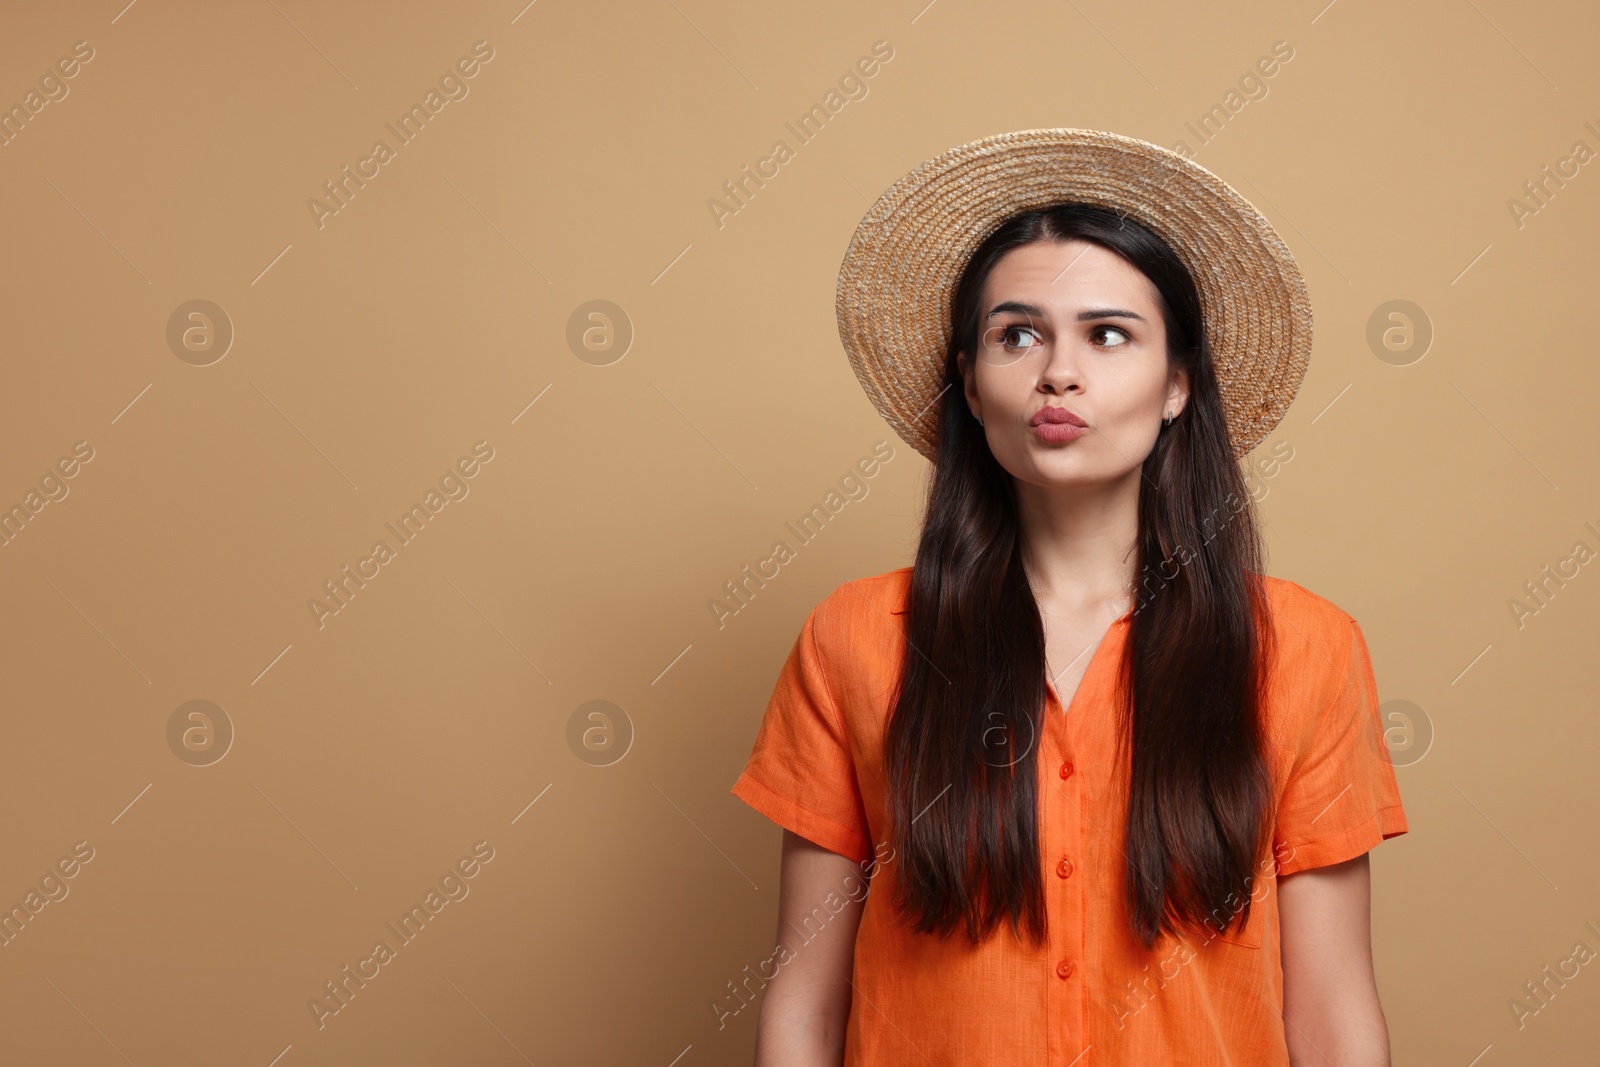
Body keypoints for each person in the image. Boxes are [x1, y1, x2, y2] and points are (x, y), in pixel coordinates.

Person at [730, 129, 1408, 1066]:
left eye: (1108, 334)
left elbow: (1333, 1011)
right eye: (1018, 334)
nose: (1059, 371)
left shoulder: (1305, 646)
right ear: (970, 385)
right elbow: (804, 1002)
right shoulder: (855, 638)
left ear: (1176, 385)